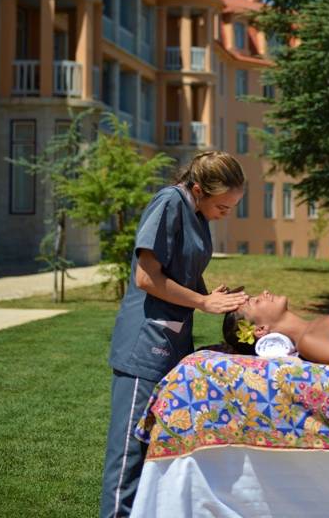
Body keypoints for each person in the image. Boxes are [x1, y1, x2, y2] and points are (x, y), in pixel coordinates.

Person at [100, 151, 248, 518]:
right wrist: (203, 302)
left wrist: (214, 296)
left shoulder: (197, 212)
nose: (225, 213)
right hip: (145, 344)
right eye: (223, 206)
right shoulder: (169, 202)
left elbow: (180, 270)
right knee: (129, 455)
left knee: (155, 447)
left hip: (171, 343)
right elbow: (146, 277)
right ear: (198, 189)